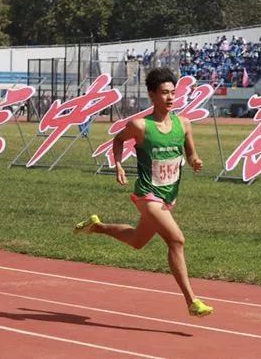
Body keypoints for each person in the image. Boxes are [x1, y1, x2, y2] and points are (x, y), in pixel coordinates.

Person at [73, 67, 213, 318]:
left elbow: (191, 153)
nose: (170, 98)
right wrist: (117, 165)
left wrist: (195, 160)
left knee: (138, 241)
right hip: (147, 194)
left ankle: (96, 227)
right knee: (177, 240)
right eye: (164, 93)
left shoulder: (184, 124)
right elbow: (117, 140)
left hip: (168, 196)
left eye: (172, 92)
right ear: (151, 95)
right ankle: (192, 301)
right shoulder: (140, 125)